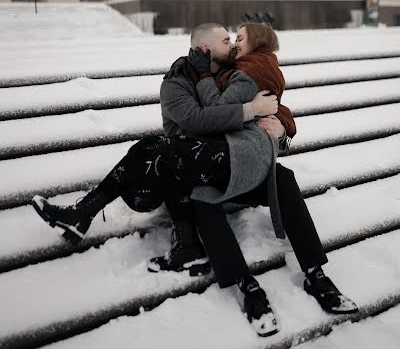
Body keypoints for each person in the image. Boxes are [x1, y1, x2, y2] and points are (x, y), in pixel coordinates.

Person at [31, 22, 357, 336]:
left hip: (234, 163)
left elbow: (274, 103)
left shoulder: (231, 74)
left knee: (282, 177)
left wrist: (281, 128)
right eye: (226, 40)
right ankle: (247, 286)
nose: (232, 45)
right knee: (198, 190)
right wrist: (250, 110)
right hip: (194, 171)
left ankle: (316, 274)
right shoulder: (177, 84)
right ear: (204, 48)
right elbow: (196, 121)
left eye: (234, 39)